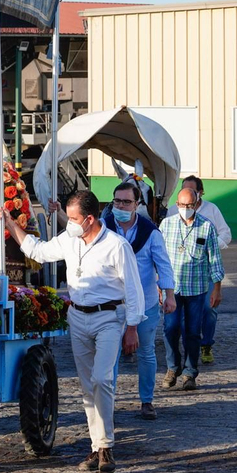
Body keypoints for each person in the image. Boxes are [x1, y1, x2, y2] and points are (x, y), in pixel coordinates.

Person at [15, 190, 143, 473]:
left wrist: (132, 327)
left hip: (109, 317)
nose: (68, 223)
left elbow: (134, 288)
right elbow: (39, 251)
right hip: (78, 317)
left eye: (73, 218)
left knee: (102, 379)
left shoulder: (116, 245)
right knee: (87, 386)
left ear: (89, 219)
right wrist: (11, 225)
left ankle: (107, 445)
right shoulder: (70, 240)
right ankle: (97, 447)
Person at [104, 180, 175, 420]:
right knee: (110, 354)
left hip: (145, 303)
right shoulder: (103, 228)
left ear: (137, 204)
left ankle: (147, 401)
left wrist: (169, 294)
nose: (121, 205)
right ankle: (107, 402)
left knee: (146, 352)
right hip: (112, 304)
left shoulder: (150, 232)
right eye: (117, 201)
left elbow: (163, 265)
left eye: (126, 201)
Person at [161, 186, 225, 390]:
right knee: (170, 328)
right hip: (172, 289)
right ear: (176, 205)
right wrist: (157, 284)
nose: (185, 208)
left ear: (197, 204)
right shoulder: (166, 225)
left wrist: (217, 288)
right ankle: (173, 367)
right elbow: (158, 257)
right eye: (181, 205)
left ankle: (190, 372)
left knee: (192, 332)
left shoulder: (206, 227)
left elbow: (215, 259)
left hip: (197, 289)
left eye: (189, 205)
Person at [180, 176, 233, 365]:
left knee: (209, 309)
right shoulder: (173, 212)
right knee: (183, 314)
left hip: (207, 269)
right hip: (183, 272)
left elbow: (226, 233)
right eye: (184, 191)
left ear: (200, 192)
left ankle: (206, 343)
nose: (188, 198)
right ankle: (188, 351)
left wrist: (211, 245)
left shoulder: (211, 210)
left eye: (192, 191)